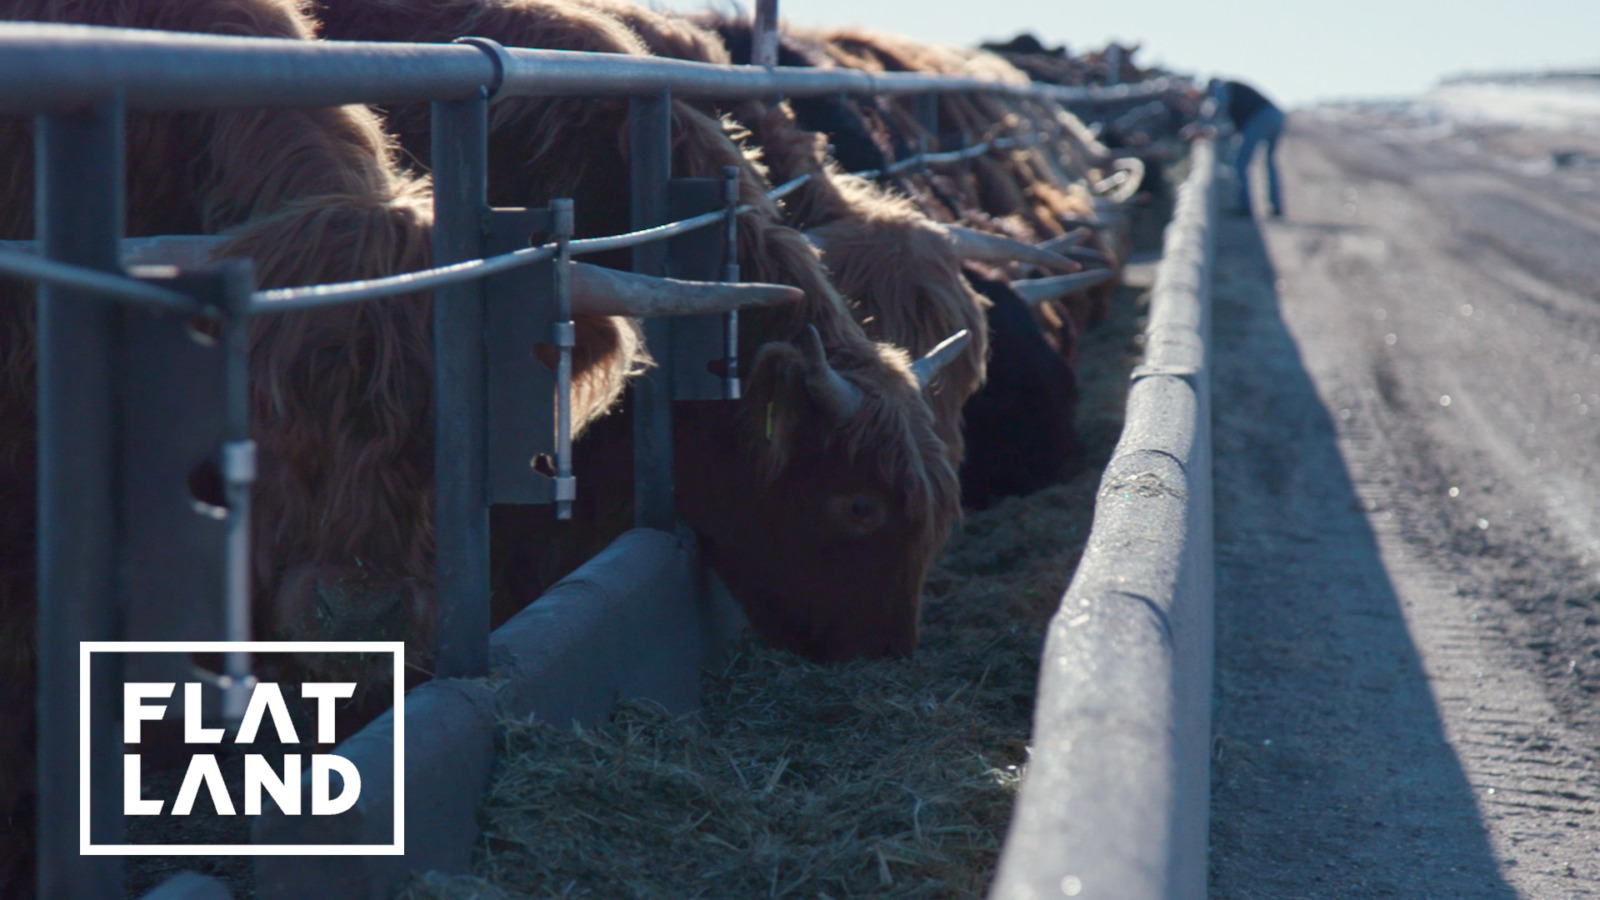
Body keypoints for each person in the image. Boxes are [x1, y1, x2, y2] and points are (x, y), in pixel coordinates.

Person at [1198, 78, 1286, 217]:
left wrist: (1203, 126)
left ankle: (1245, 207)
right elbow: (1233, 129)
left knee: (1241, 163)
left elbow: (1218, 108)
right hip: (1276, 115)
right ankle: (1276, 206)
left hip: (1260, 118)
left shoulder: (1221, 88)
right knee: (1270, 163)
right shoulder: (1236, 94)